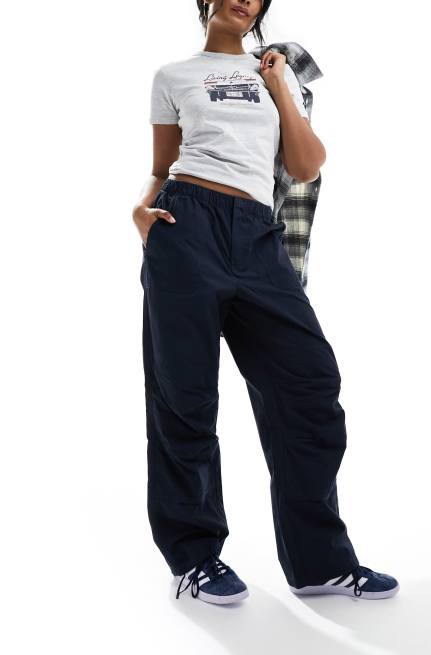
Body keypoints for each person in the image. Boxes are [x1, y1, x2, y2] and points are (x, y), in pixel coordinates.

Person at [132, 0, 400, 605]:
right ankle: (194, 559)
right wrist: (140, 209)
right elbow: (161, 165)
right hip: (186, 224)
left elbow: (304, 165)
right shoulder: (173, 75)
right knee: (184, 395)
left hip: (258, 235)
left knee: (309, 384)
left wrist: (279, 86)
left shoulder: (278, 71)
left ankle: (319, 564)